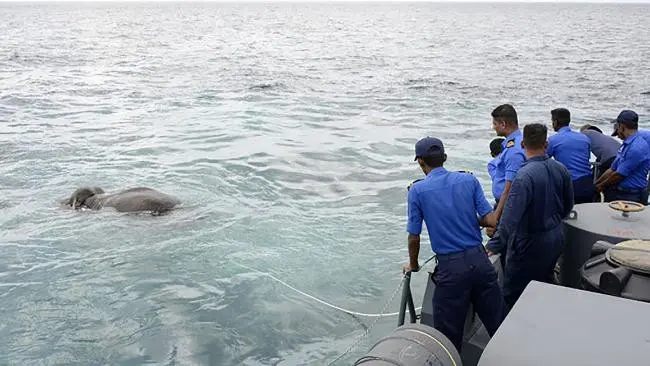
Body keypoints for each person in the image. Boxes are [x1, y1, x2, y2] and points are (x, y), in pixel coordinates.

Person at [404, 136, 507, 352]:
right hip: (480, 262)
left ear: (421, 162)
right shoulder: (468, 181)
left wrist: (413, 264)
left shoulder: (417, 191)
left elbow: (414, 236)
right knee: (500, 327)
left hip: (451, 271)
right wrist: (472, 221)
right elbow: (491, 220)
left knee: (448, 340)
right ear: (445, 158)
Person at [492, 123, 574, 309]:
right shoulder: (561, 168)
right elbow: (568, 205)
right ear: (546, 144)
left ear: (523, 145)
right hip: (555, 236)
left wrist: (493, 245)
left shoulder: (523, 177)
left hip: (529, 243)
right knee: (545, 281)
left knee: (514, 292)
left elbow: (509, 220)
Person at [485, 104, 526, 258]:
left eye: (495, 124)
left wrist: (497, 214)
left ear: (503, 124)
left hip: (508, 204)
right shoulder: (514, 143)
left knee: (508, 250)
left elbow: (510, 188)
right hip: (507, 202)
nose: (493, 127)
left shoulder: (514, 150)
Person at [596, 110, 650, 204]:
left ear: (622, 126)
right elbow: (612, 169)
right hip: (621, 192)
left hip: (631, 195)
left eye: (617, 127)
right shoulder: (626, 144)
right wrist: (597, 183)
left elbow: (619, 175)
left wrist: (600, 186)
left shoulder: (636, 147)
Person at [546, 108, 596, 204]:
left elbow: (542, 159)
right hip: (588, 182)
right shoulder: (584, 138)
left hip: (569, 185)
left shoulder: (553, 140)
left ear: (555, 122)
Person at [488, 137, 505, 205]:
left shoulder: (492, 164)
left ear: (492, 154)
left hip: (501, 199)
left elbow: (497, 178)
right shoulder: (512, 159)